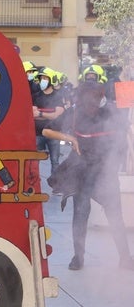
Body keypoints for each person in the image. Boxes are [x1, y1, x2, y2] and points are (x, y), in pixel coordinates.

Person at [42, 74, 134, 271]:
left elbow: (126, 130)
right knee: (80, 215)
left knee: (115, 216)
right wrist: (70, 138)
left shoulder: (109, 112)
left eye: (100, 95)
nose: (99, 100)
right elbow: (46, 132)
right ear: (85, 98)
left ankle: (125, 258)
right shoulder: (74, 114)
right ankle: (78, 258)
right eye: (95, 96)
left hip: (105, 173)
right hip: (81, 173)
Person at [32, 67, 64, 174]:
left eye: (45, 78)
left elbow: (56, 115)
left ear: (51, 80)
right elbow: (33, 114)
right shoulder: (35, 96)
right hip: (38, 133)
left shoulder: (58, 96)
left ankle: (55, 186)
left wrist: (40, 113)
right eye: (41, 78)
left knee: (55, 161)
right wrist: (49, 114)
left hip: (54, 133)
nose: (42, 81)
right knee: (34, 161)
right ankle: (35, 186)